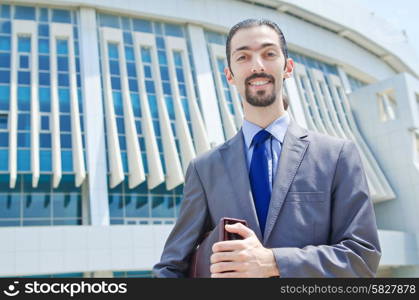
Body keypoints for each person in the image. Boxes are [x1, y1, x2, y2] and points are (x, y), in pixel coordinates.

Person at [153, 18, 381, 278]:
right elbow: (171, 267)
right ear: (229, 75)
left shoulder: (337, 156)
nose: (257, 66)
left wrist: (273, 262)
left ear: (288, 67)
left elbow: (362, 258)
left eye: (269, 54)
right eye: (243, 57)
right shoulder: (204, 169)